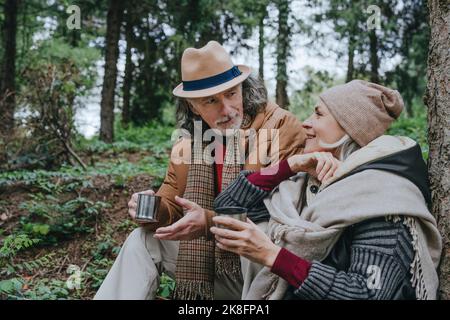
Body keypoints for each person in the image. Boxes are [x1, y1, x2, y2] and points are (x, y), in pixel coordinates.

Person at [94, 41, 306, 300]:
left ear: (242, 87)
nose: (227, 110)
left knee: (259, 227)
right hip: (213, 269)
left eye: (231, 93)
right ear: (194, 106)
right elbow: (171, 204)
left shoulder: (279, 125)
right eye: (210, 101)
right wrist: (150, 209)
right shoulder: (189, 143)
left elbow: (272, 212)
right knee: (142, 240)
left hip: (265, 273)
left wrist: (207, 222)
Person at [208, 80, 442, 299]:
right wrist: (289, 166)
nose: (305, 122)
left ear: (350, 129)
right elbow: (228, 206)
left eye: (319, 114)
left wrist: (272, 256)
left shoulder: (384, 198)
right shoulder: (308, 181)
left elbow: (367, 293)